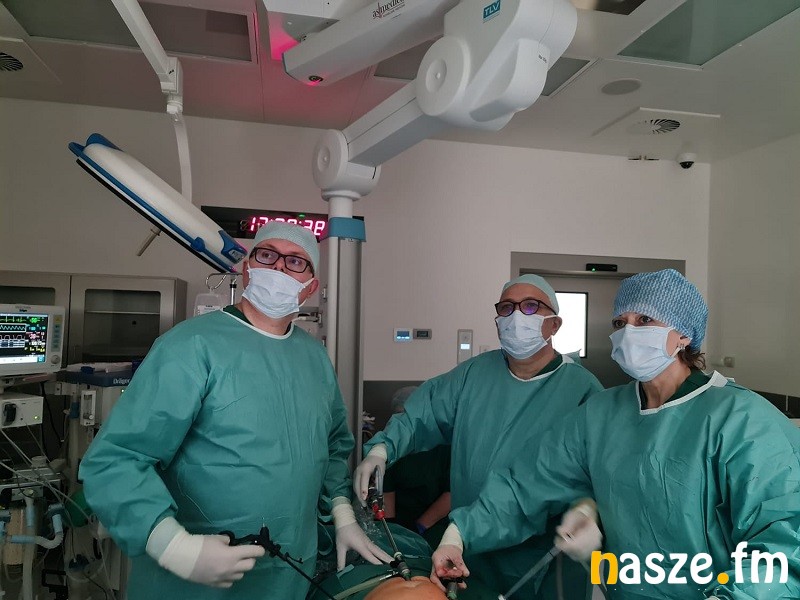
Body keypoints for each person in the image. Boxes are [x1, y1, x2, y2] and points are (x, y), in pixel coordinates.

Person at [432, 269, 800, 599]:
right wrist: (459, 534)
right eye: (620, 322)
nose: (628, 332)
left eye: (645, 320)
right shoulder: (600, 414)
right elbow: (528, 482)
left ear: (684, 334)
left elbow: (784, 542)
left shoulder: (743, 420)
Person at [80, 222, 390, 600]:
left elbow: (332, 446)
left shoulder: (314, 358)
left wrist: (341, 514)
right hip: (193, 580)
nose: (279, 267)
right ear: (247, 269)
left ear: (310, 287)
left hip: (289, 570)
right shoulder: (190, 346)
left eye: (296, 261)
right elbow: (116, 459)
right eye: (267, 255)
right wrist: (173, 546)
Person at [355, 274, 604, 598]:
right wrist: (382, 449)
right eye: (507, 308)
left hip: (543, 554)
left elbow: (595, 472)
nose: (517, 316)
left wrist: (588, 509)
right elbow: (422, 413)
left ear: (554, 324)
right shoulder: (473, 375)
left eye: (531, 306)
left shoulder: (582, 390)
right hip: (467, 547)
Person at [381, 386, 451, 547]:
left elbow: (450, 495)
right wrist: (391, 530)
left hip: (435, 524)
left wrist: (420, 526)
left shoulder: (445, 447)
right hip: (401, 523)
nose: (406, 424)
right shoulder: (393, 446)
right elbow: (387, 493)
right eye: (401, 417)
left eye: (410, 417)